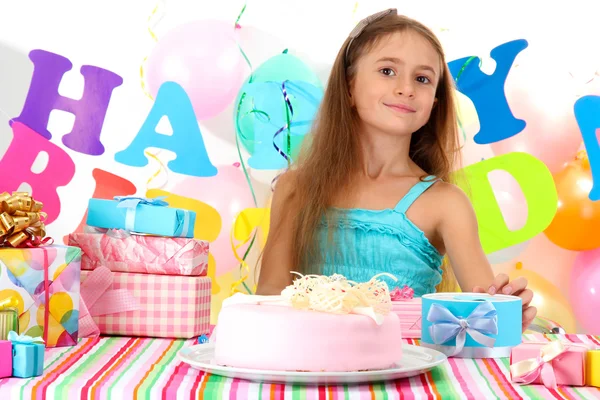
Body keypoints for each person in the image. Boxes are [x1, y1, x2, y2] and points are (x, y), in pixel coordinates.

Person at [255, 9, 536, 331]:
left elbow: (486, 315)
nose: (406, 88)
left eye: (423, 78)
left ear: (434, 102)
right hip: (313, 368)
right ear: (349, 87)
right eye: (387, 71)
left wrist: (507, 311)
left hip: (406, 375)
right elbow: (269, 297)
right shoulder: (297, 187)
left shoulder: (445, 202)